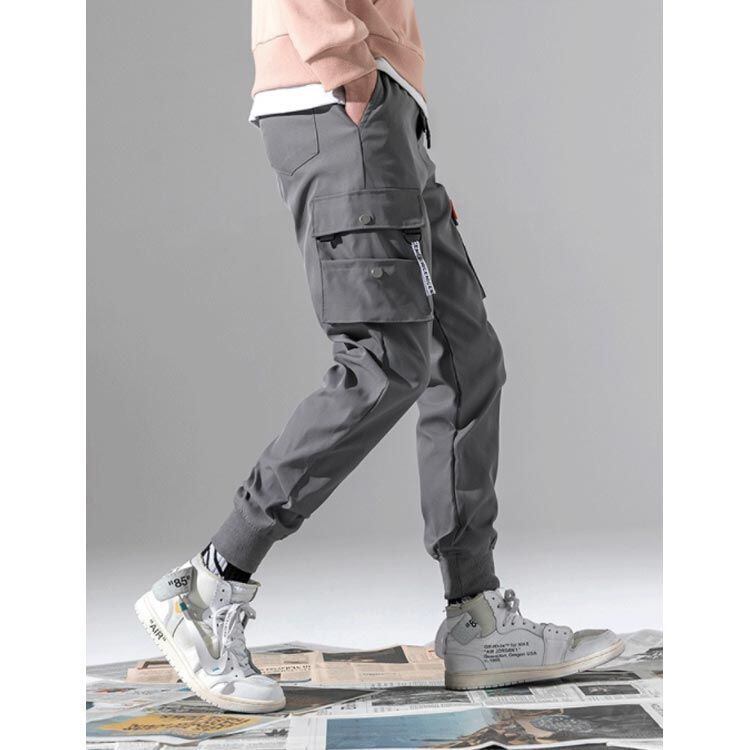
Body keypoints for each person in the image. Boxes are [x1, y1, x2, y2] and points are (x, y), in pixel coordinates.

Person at [135, 0, 623, 713]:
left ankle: (475, 615)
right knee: (384, 361)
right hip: (338, 99)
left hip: (385, 105)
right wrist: (349, 69)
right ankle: (208, 587)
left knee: (466, 356)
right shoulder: (345, 83)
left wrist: (389, 103)